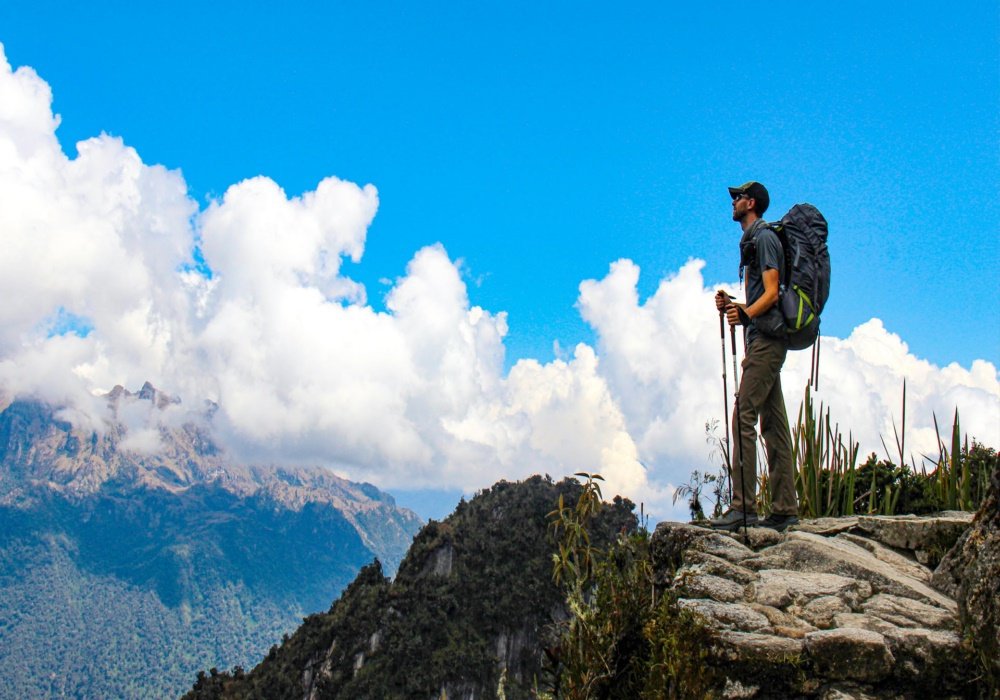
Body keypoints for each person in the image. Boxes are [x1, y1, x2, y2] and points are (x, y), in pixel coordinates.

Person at [710, 181, 799, 532]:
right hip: (764, 337)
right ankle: (784, 508)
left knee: (742, 415)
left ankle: (743, 507)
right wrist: (735, 306)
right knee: (774, 424)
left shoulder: (763, 238)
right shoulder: (752, 242)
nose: (732, 202)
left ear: (751, 203)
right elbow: (762, 300)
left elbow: (773, 293)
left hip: (766, 341)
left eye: (737, 198)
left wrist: (744, 314)